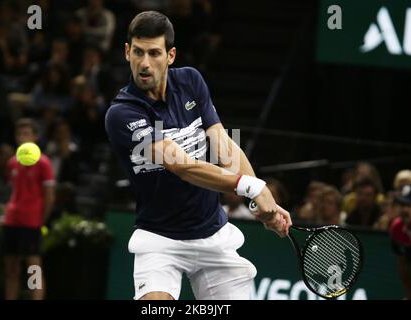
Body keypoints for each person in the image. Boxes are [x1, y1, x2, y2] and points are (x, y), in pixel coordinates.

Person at [105, 11, 291, 300]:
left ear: (171, 55)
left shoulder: (191, 81)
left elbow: (223, 144)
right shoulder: (122, 113)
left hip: (212, 236)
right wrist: (253, 186)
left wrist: (259, 198)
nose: (144, 63)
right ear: (127, 52)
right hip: (160, 240)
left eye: (154, 53)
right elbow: (183, 166)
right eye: (138, 52)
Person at [2, 118, 55, 300]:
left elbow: (49, 197)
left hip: (31, 223)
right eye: (19, 134)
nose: (22, 137)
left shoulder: (44, 163)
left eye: (26, 133)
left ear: (35, 137)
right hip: (11, 221)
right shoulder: (12, 162)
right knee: (11, 269)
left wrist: (41, 220)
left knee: (33, 269)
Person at [389, 185, 411, 299]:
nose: (405, 210)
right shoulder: (397, 228)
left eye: (409, 205)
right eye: (402, 205)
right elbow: (402, 265)